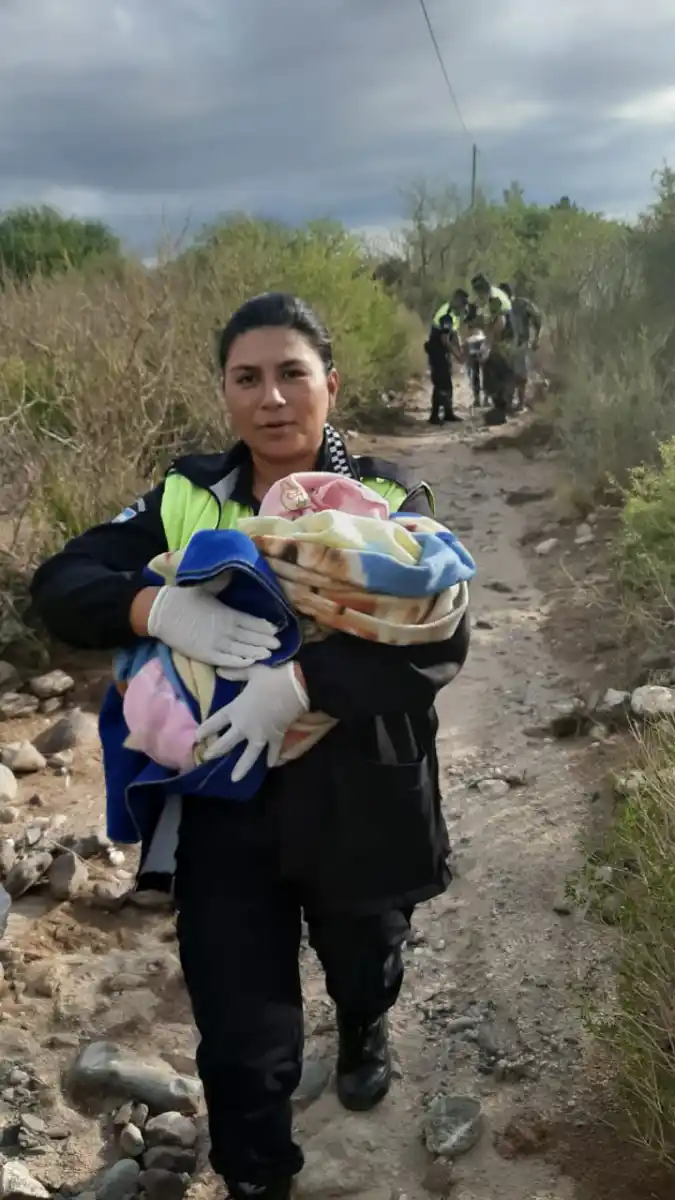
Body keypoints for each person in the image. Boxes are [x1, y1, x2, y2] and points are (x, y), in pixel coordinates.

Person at [30, 292, 471, 1200]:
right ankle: (256, 1177)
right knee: (240, 1036)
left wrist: (305, 684)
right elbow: (61, 581)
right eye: (247, 378)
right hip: (225, 804)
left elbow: (441, 640)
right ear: (226, 393)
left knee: (366, 959)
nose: (271, 397)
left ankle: (361, 1026)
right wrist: (154, 604)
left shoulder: (386, 497)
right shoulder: (187, 496)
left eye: (291, 374)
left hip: (362, 799)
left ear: (330, 386)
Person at [470, 274, 516, 425]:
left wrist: (488, 344)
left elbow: (500, 322)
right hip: (504, 340)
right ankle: (502, 409)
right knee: (499, 374)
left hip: (504, 341)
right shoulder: (494, 295)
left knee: (495, 373)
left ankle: (501, 409)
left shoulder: (494, 299)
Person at [498, 282, 542, 410]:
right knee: (508, 374)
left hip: (521, 343)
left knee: (520, 374)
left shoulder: (521, 304)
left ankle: (521, 403)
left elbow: (537, 319)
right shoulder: (501, 308)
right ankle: (509, 403)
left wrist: (536, 338)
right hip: (506, 344)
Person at [425, 299, 464, 424]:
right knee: (441, 384)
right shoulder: (446, 316)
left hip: (442, 354)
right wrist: (457, 355)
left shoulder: (453, 316)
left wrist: (460, 349)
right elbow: (445, 339)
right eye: (463, 306)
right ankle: (435, 415)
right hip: (437, 354)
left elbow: (454, 334)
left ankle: (448, 413)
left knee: (446, 384)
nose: (463, 310)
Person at [449, 288, 482, 407]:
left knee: (475, 370)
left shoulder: (472, 310)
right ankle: (478, 397)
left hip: (475, 341)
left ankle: (480, 398)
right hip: (469, 341)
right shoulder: (457, 312)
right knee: (473, 370)